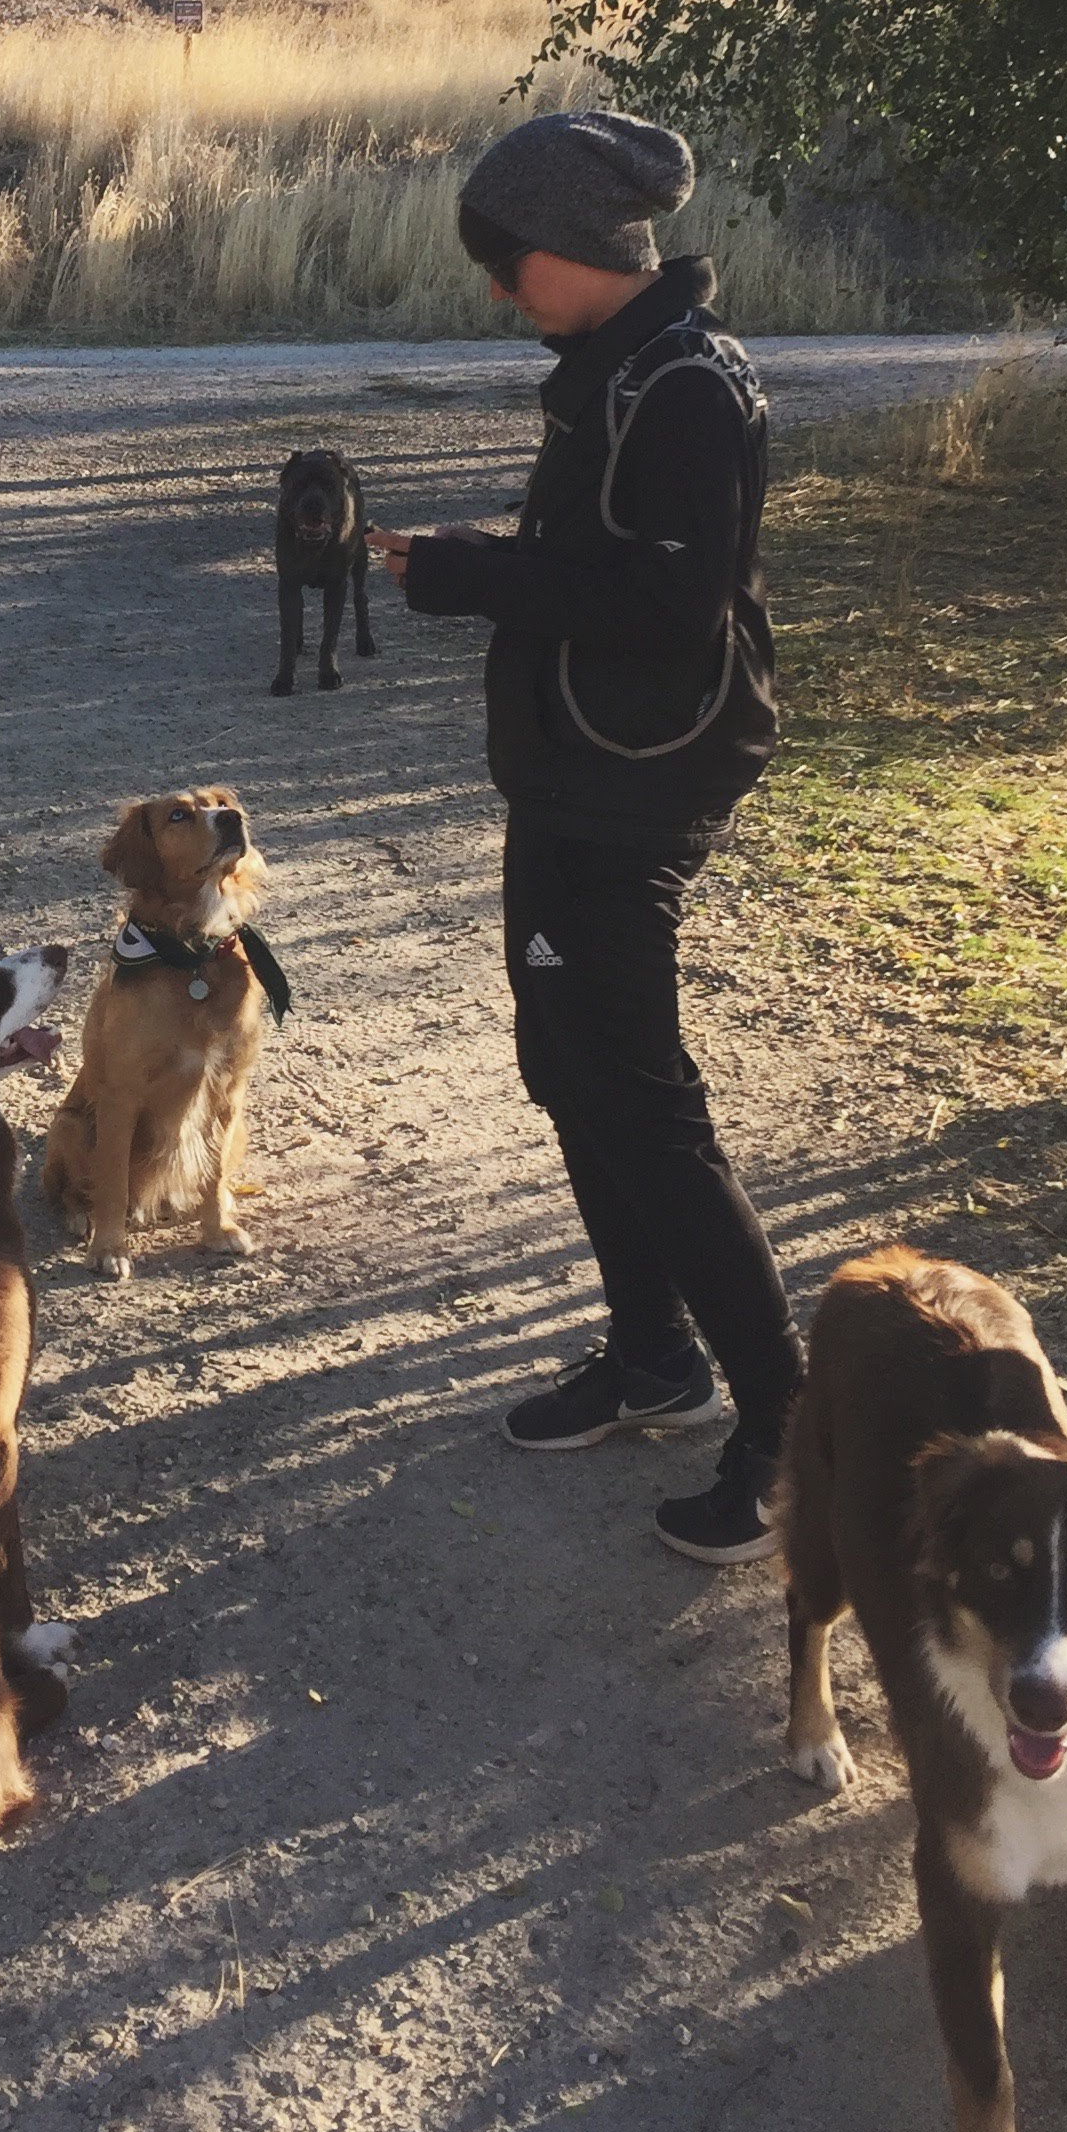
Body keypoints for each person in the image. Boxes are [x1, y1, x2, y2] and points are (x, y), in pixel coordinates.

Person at [370, 109, 801, 1562]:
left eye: (511, 265)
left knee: (642, 1098)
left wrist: (481, 579)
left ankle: (786, 1433)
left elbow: (666, 611)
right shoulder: (615, 368)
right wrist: (470, 565)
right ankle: (654, 1358)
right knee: (568, 1068)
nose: (499, 293)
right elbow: (602, 568)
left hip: (633, 791)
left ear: (579, 249)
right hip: (572, 781)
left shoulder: (684, 386)